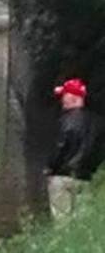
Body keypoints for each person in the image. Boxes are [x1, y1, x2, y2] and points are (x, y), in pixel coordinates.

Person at [47, 78, 103, 218]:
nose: (62, 100)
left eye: (64, 96)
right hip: (85, 177)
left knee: (61, 220)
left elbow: (59, 147)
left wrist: (50, 168)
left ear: (72, 98)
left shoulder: (65, 121)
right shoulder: (98, 123)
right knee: (81, 219)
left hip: (62, 176)